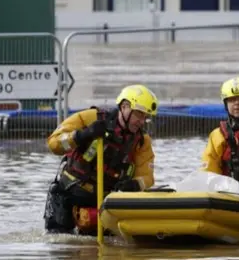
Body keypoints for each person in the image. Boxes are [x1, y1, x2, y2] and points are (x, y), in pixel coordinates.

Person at [43, 84, 158, 234]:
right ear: (124, 107)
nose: (141, 121)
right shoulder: (90, 118)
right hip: (69, 195)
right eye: (139, 114)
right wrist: (81, 135)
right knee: (61, 245)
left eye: (145, 117)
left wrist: (134, 184)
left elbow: (147, 177)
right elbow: (54, 144)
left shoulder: (142, 141)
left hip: (102, 204)